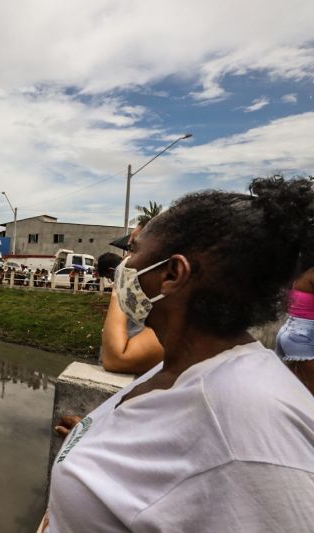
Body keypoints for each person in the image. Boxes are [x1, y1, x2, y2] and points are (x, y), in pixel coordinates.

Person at [41, 176, 314, 532]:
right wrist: (94, 442)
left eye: (135, 251)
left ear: (172, 273)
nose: (125, 264)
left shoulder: (248, 426)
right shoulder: (180, 367)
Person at [99, 231, 165, 374]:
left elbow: (117, 359)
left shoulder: (181, 319)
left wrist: (120, 287)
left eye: (133, 249)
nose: (126, 259)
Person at [277, 266, 314, 394]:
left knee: (296, 387)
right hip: (303, 337)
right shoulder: (311, 275)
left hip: (294, 333)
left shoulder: (300, 274)